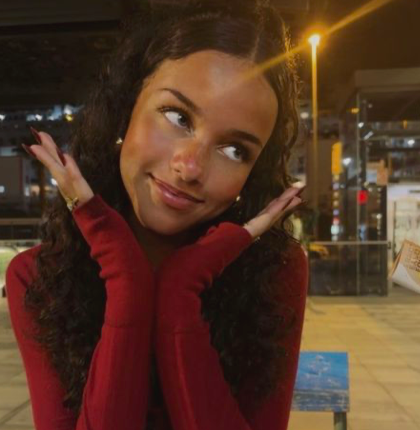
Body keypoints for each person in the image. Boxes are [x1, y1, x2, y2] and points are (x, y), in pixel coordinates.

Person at [6, 0, 309, 429]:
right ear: (126, 109)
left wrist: (181, 290)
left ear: (252, 173)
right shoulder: (39, 278)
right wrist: (125, 276)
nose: (190, 167)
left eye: (234, 150)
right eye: (177, 116)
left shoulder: (274, 272)